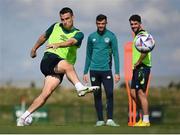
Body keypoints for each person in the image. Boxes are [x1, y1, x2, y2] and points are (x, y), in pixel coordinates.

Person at [17, 7, 99, 126]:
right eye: (62, 19)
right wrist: (34, 48)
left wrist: (59, 44)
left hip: (59, 69)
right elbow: (43, 37)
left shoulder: (79, 34)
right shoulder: (55, 26)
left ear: (73, 17)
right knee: (68, 65)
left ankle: (23, 118)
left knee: (46, 94)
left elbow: (71, 42)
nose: (65, 21)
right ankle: (80, 87)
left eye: (67, 18)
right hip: (49, 59)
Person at [83, 14, 120, 127]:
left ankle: (109, 119)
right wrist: (85, 71)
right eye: (99, 24)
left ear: (106, 23)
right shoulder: (91, 37)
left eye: (103, 23)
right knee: (97, 95)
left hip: (106, 70)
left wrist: (117, 72)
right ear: (96, 23)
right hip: (93, 70)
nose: (101, 26)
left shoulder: (111, 36)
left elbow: (116, 54)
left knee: (109, 93)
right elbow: (88, 55)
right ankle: (100, 120)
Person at [129, 14, 152, 127]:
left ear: (140, 23)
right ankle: (142, 117)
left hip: (142, 67)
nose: (133, 26)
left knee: (140, 93)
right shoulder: (137, 35)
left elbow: (145, 50)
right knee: (133, 93)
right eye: (131, 24)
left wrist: (138, 62)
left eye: (135, 24)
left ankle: (146, 120)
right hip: (137, 68)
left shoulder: (143, 35)